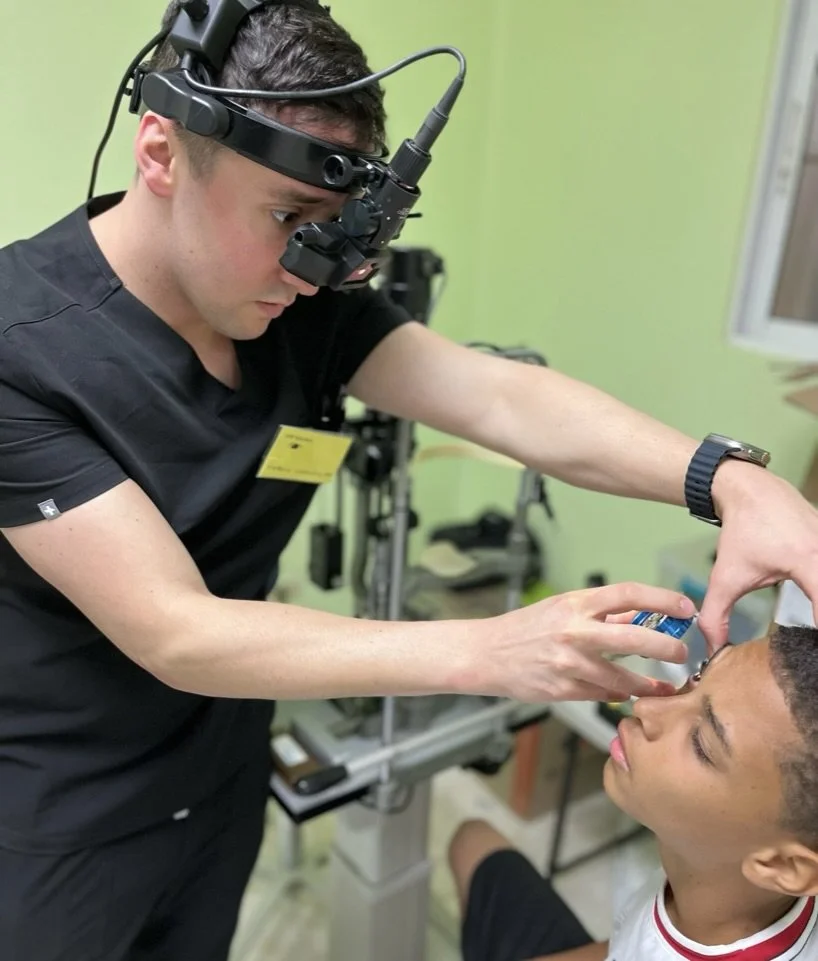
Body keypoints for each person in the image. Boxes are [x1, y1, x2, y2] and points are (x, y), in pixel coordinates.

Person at [1, 1, 818, 958]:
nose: (313, 266)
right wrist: (489, 649)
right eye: (290, 219)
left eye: (336, 232)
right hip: (64, 805)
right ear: (160, 151)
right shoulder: (25, 349)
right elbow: (177, 629)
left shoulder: (295, 299)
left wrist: (728, 479)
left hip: (219, 771)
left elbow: (502, 399)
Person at [448, 624, 818, 960]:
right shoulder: (729, 888)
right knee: (471, 840)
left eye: (702, 744)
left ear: (783, 865)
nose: (647, 708)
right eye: (698, 675)